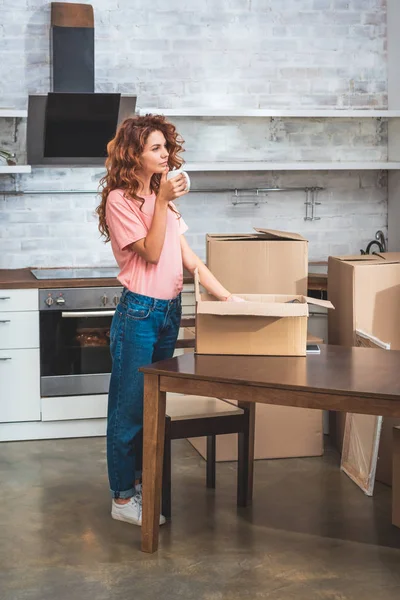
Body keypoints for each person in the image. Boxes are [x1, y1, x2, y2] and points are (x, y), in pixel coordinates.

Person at [96, 114, 243, 527]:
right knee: (128, 409)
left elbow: (188, 258)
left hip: (168, 312)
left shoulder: (167, 201)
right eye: (155, 148)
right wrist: (159, 201)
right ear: (134, 155)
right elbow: (153, 252)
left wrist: (228, 296)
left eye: (166, 147)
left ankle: (141, 485)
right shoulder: (120, 201)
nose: (165, 155)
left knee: (151, 408)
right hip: (139, 313)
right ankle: (122, 500)